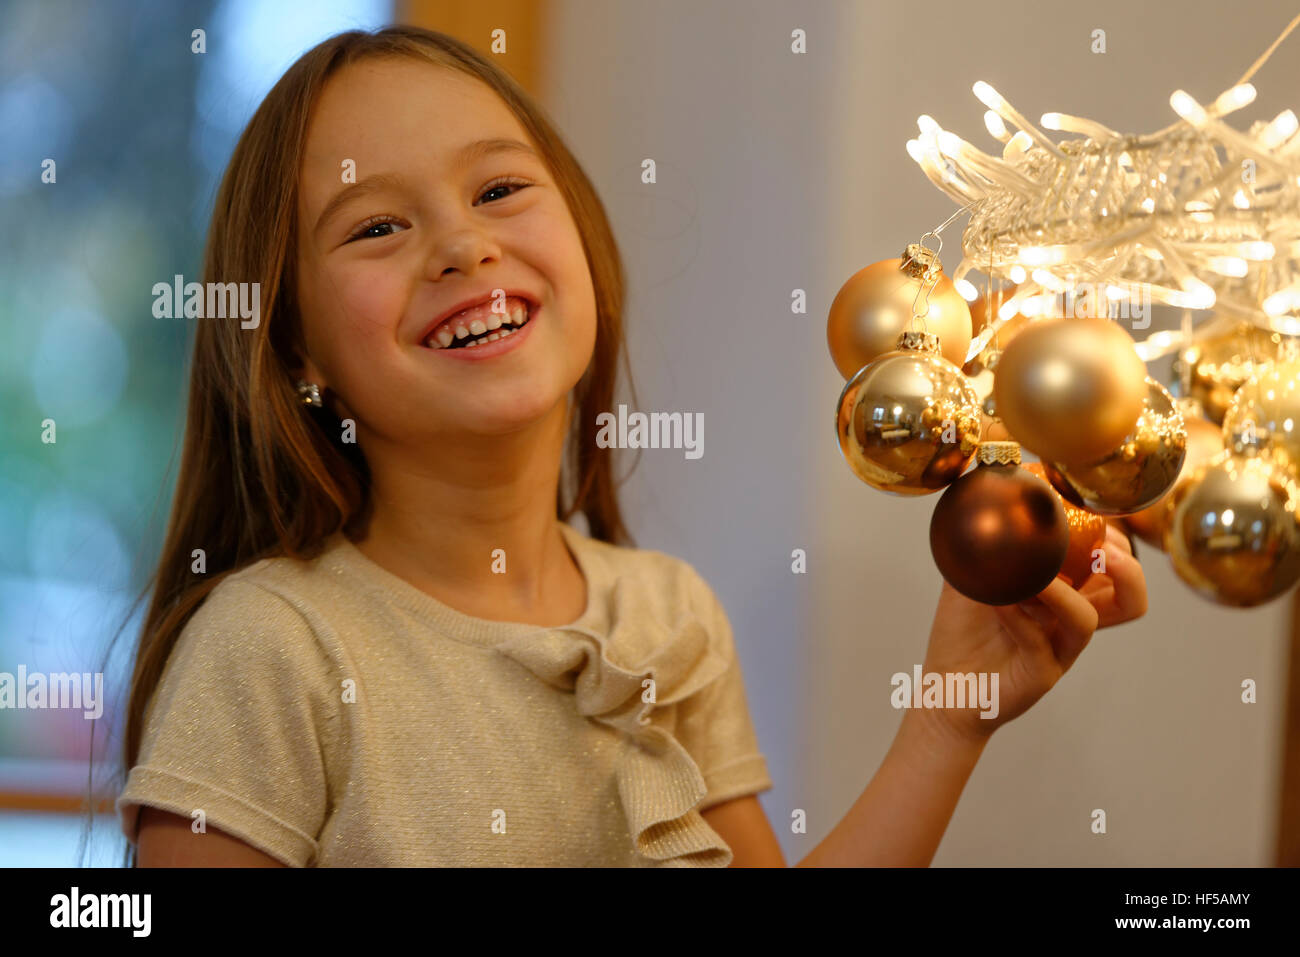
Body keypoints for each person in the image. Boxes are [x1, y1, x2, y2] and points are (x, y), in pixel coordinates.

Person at [115, 26, 1147, 867]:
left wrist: (945, 718)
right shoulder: (266, 651)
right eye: (376, 227)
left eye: (498, 190)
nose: (464, 245)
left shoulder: (667, 616)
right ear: (298, 350)